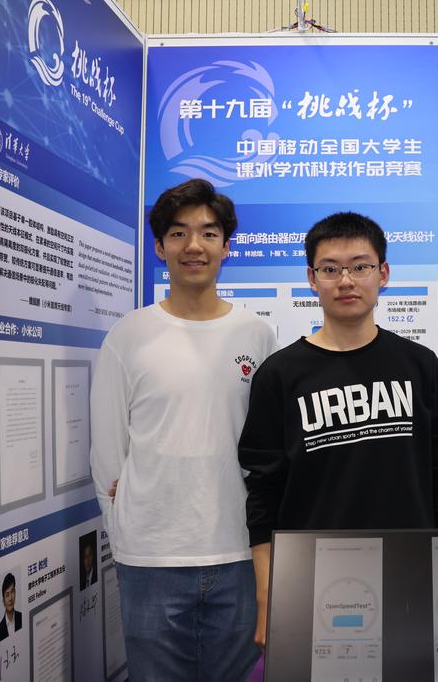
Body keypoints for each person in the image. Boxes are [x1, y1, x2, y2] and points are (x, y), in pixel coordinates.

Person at [239, 211, 438, 649]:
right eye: (331, 269)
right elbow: (263, 494)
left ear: (383, 274)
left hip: (410, 571)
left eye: (360, 266)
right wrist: (267, 595)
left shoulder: (419, 365)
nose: (346, 281)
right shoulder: (279, 375)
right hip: (312, 577)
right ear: (312, 278)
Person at [90, 179, 277, 681]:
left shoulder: (257, 335)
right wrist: (127, 530)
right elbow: (107, 452)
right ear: (160, 247)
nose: (194, 245)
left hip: (238, 552)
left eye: (209, 233)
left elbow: (267, 447)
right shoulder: (129, 335)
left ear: (226, 246)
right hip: (151, 558)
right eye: (178, 233)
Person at [0, 573, 22, 643]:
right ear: (3, 601)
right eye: (7, 595)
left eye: (12, 592)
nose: (10, 598)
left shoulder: (22, 618)